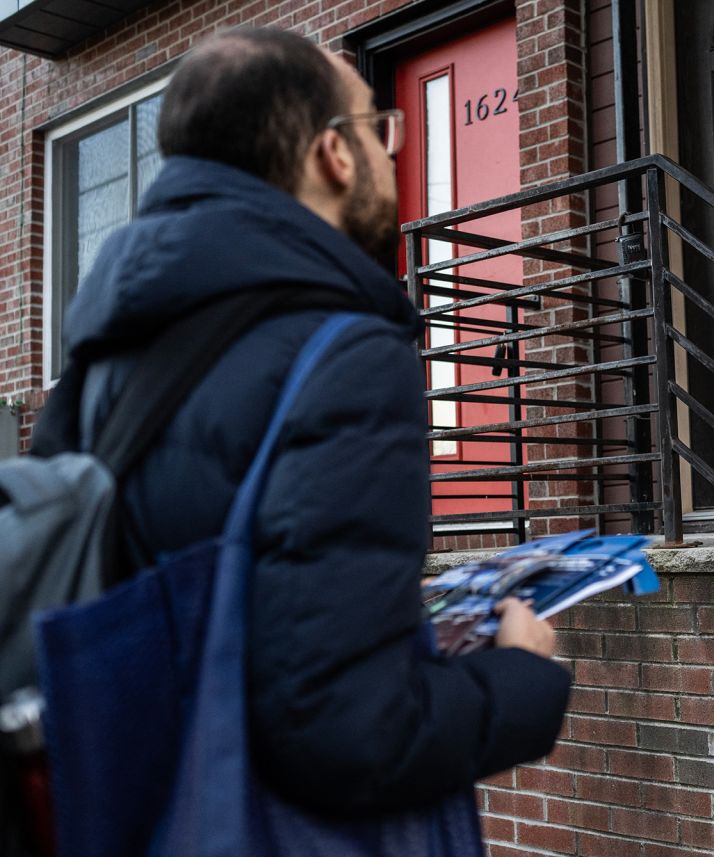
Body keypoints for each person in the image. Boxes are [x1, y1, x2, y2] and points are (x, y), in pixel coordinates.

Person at [59, 27, 571, 819]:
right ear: (333, 155)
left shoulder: (102, 355)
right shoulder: (348, 354)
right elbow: (349, 733)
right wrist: (521, 677)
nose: (392, 152)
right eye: (376, 125)